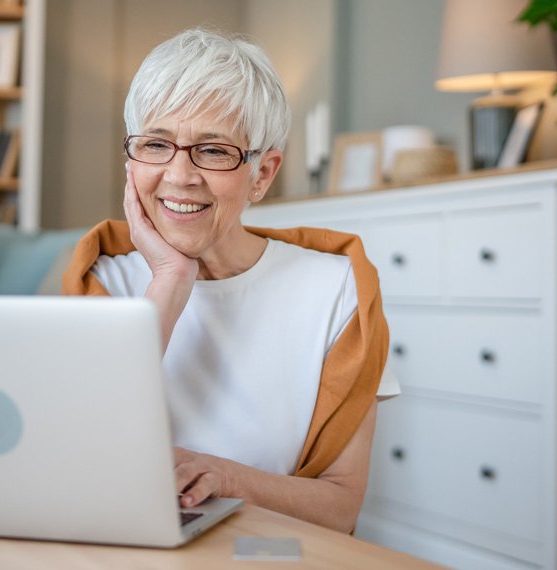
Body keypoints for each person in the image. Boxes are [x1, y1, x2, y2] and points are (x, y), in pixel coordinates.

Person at [61, 28, 397, 533]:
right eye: (156, 144)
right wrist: (171, 280)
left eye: (214, 151)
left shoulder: (339, 290)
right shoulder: (101, 280)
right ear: (131, 162)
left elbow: (341, 506)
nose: (179, 175)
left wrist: (226, 477)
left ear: (262, 174)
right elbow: (73, 462)